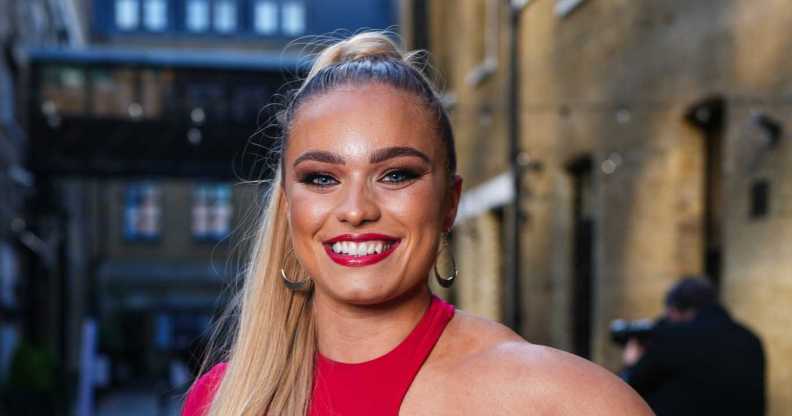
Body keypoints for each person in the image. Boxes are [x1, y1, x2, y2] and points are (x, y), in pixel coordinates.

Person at [182, 32, 652, 416]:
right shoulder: (224, 401)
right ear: (288, 208)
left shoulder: (560, 401)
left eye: (396, 174)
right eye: (321, 177)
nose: (355, 209)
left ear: (450, 202)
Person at [621, 277, 766, 416]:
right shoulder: (750, 339)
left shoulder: (674, 337)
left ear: (675, 310)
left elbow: (630, 389)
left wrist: (632, 364)